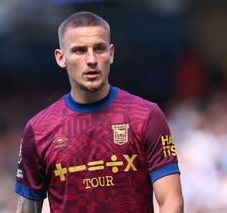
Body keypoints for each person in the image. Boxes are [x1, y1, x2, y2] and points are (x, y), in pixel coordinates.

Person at [15, 11, 184, 213]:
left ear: (111, 53)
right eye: (79, 50)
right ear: (61, 58)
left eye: (99, 49)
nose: (91, 59)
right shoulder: (39, 129)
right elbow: (26, 209)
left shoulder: (146, 116)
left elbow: (172, 202)